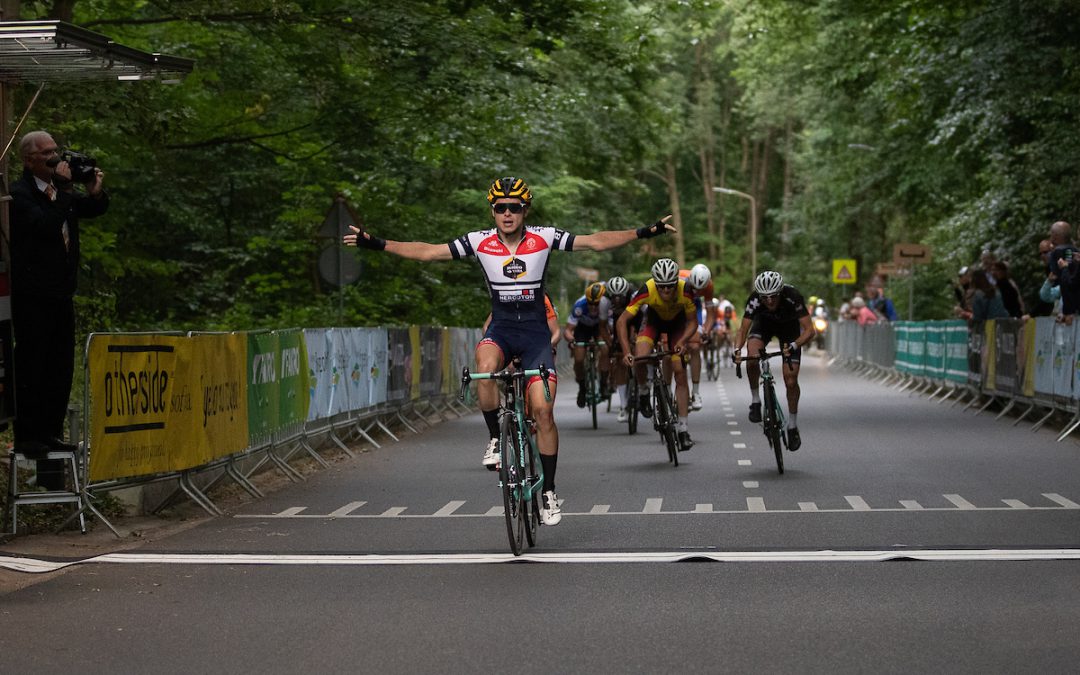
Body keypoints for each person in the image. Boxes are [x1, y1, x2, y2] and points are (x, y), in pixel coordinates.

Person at [343, 176, 673, 525]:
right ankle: (494, 440)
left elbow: (594, 242)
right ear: (492, 212)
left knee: (544, 412)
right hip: (501, 329)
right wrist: (375, 243)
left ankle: (549, 491)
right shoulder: (479, 242)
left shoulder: (544, 238)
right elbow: (428, 252)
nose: (507, 213)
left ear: (525, 210)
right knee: (484, 366)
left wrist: (644, 232)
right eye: (500, 208)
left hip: (534, 336)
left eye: (514, 207)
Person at [9, 131, 108, 490]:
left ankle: (50, 430)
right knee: (33, 362)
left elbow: (90, 209)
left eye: (56, 151)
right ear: (29, 160)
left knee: (59, 363)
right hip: (32, 293)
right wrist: (65, 192)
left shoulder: (58, 192)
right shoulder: (20, 195)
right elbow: (46, 226)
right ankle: (28, 433)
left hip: (61, 293)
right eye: (47, 154)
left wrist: (94, 190)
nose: (55, 158)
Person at [615, 258, 698, 450]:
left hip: (677, 326)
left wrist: (683, 341)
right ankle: (644, 392)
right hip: (653, 322)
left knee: (679, 372)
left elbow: (693, 322)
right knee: (641, 358)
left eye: (670, 286)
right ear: (656, 284)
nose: (666, 291)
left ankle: (683, 430)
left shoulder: (685, 290)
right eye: (662, 287)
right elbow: (621, 322)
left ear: (676, 283)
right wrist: (627, 352)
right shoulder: (647, 289)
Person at [732, 270, 815, 452]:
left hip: (789, 329)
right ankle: (755, 400)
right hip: (764, 326)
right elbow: (743, 330)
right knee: (752, 358)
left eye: (773, 297)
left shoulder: (792, 296)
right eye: (765, 297)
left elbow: (810, 330)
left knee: (791, 380)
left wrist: (794, 345)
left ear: (781, 292)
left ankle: (792, 426)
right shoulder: (755, 299)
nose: (769, 301)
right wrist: (737, 350)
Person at [563, 282, 611, 408]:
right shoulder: (579, 305)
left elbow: (609, 326)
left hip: (599, 328)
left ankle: (604, 383)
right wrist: (572, 340)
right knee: (579, 359)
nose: (593, 307)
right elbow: (568, 330)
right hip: (582, 329)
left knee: (605, 350)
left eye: (597, 304)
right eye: (590, 303)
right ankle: (582, 388)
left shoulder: (607, 305)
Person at [678, 263, 714, 411]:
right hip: (677, 304)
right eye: (695, 288)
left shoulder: (709, 286)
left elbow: (710, 314)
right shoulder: (678, 279)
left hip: (695, 306)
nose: (698, 290)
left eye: (701, 289)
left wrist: (705, 330)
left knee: (694, 346)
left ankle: (696, 392)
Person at [603, 275, 636, 421]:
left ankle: (644, 384)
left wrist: (634, 339)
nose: (617, 300)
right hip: (617, 323)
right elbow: (602, 326)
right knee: (619, 359)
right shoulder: (604, 301)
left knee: (639, 351)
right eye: (614, 297)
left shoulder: (634, 295)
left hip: (635, 318)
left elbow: (640, 320)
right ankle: (623, 405)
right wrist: (611, 344)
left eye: (620, 297)